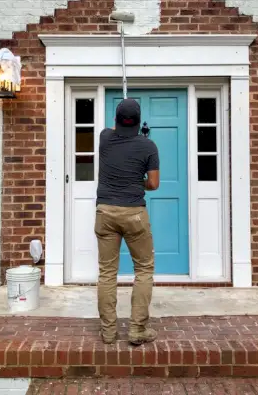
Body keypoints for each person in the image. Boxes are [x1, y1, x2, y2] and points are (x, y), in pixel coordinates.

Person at [95, 98, 160, 346]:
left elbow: (113, 130)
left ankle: (109, 332)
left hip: (105, 212)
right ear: (138, 122)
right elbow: (153, 184)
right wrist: (137, 181)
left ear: (116, 120)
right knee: (143, 269)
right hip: (134, 213)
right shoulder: (148, 146)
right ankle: (137, 329)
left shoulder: (105, 138)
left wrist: (124, 127)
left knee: (107, 273)